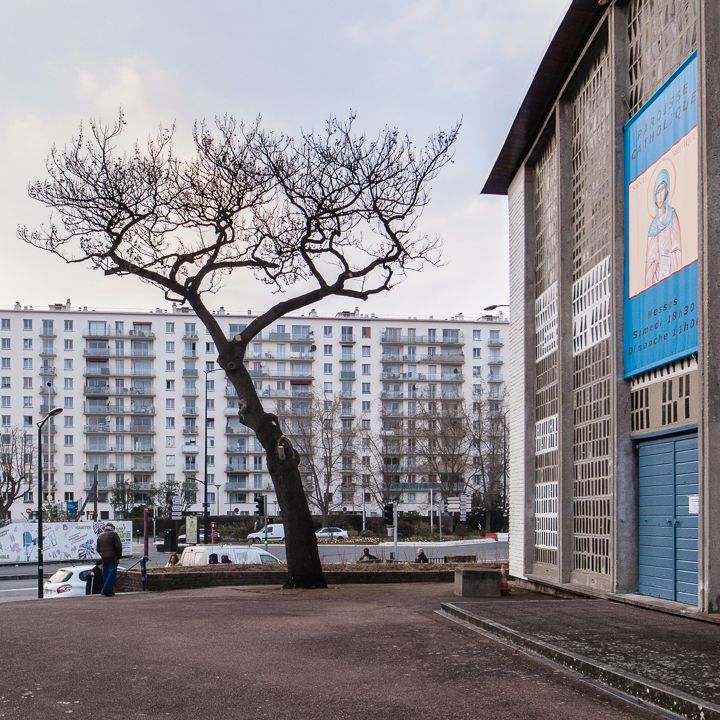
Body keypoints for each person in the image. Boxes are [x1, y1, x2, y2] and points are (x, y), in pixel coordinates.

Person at [645, 168, 682, 289]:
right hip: (655, 279)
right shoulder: (652, 227)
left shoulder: (672, 215)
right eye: (657, 191)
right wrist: (654, 264)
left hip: (670, 273)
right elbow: (648, 263)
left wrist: (664, 257)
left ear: (666, 192)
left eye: (662, 190)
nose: (659, 195)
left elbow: (678, 250)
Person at [96, 523, 123, 597]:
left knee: (106, 574)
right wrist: (118, 556)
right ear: (112, 528)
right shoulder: (114, 534)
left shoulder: (100, 536)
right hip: (113, 557)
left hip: (104, 558)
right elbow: (118, 547)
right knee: (112, 574)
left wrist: (102, 554)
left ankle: (109, 591)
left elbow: (97, 548)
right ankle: (105, 590)